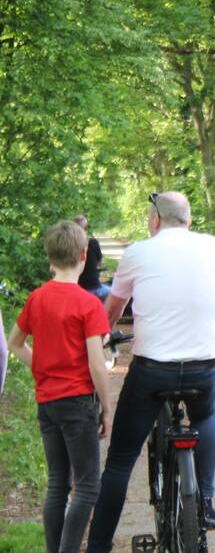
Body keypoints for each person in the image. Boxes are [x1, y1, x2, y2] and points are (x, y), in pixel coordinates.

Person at [87, 192, 215, 553]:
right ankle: (204, 502)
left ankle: (97, 546)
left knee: (120, 461)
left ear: (156, 220)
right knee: (204, 416)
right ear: (188, 220)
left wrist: (105, 336)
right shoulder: (214, 248)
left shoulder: (138, 253)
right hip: (202, 370)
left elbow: (112, 309)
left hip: (151, 372)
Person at [7, 220, 112, 553]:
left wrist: (41, 365)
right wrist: (106, 407)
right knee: (87, 486)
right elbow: (97, 364)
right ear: (84, 256)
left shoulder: (37, 299)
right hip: (78, 403)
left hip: (47, 402)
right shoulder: (88, 304)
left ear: (49, 257)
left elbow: (15, 343)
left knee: (57, 484)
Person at [75, 215, 109, 301]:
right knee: (114, 293)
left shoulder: (68, 245)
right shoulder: (93, 243)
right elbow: (101, 263)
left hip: (76, 289)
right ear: (85, 228)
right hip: (94, 288)